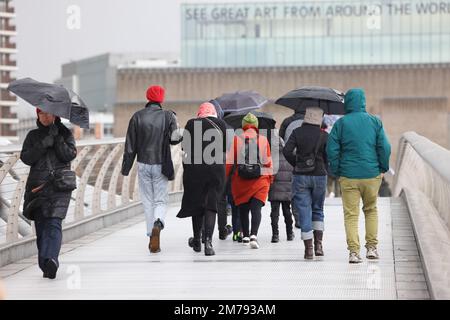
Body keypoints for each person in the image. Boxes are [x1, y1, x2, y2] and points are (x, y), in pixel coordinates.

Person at [327, 88, 391, 264]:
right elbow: (385, 147)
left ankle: (354, 252)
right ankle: (372, 248)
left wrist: (338, 169)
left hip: (349, 175)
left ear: (347, 102)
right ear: (363, 101)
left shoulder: (341, 124)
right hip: (371, 175)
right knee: (371, 210)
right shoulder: (374, 122)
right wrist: (382, 167)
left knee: (351, 215)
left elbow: (331, 149)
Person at [121, 85, 182, 253]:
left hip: (143, 163)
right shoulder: (168, 116)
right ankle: (158, 223)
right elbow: (175, 140)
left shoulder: (137, 117)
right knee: (161, 200)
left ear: (148, 97)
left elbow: (130, 146)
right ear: (161, 99)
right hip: (161, 163)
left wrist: (125, 169)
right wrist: (176, 125)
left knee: (148, 200)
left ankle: (151, 236)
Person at [21, 109, 77, 279]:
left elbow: (69, 155)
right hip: (38, 186)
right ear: (37, 115)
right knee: (41, 227)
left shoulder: (65, 133)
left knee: (54, 223)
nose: (45, 117)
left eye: (48, 113)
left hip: (60, 186)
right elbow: (26, 158)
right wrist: (45, 142)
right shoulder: (32, 136)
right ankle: (45, 263)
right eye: (41, 113)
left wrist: (58, 139)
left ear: (55, 115)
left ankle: (52, 259)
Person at [177, 102, 227, 256]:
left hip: (195, 169)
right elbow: (225, 148)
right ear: (213, 112)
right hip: (215, 169)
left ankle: (197, 241)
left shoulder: (192, 123)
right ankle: (209, 244)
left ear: (199, 112)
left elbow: (185, 147)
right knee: (211, 205)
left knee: (197, 204)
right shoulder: (221, 124)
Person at [283, 107, 328, 260]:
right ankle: (319, 245)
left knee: (303, 210)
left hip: (301, 175)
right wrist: (324, 167)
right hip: (320, 176)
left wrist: (296, 163)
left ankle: (308, 249)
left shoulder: (297, 133)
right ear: (319, 119)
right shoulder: (324, 135)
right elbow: (329, 155)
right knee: (318, 210)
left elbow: (286, 151)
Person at [226, 113, 273, 249]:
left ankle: (245, 235)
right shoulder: (263, 140)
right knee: (256, 209)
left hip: (240, 181)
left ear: (243, 125)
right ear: (256, 125)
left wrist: (225, 177)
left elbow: (229, 162)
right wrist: (270, 178)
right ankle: (254, 235)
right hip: (260, 180)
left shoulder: (236, 139)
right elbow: (268, 162)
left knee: (243, 209)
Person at [268, 136, 294, 243]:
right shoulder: (289, 156)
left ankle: (275, 235)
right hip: (287, 190)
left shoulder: (270, 157)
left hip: (274, 189)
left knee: (274, 213)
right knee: (287, 211)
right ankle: (289, 233)